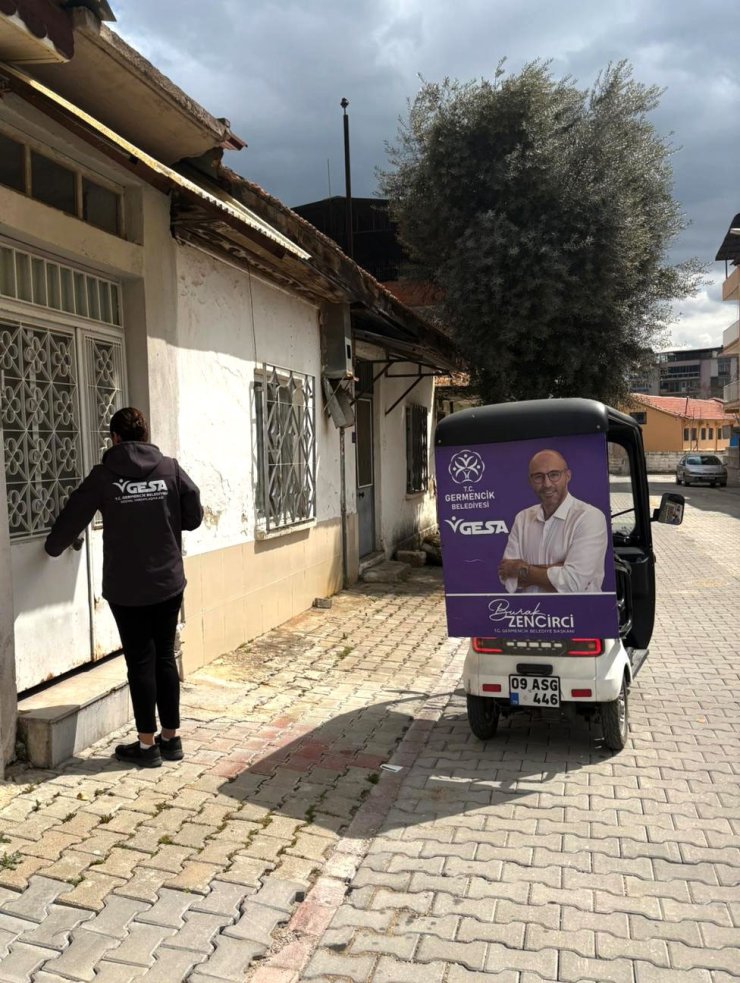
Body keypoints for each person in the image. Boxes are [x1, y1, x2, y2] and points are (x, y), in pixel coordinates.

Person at [45, 407, 203, 767]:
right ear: (145, 436)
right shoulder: (169, 468)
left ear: (114, 438)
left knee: (140, 661)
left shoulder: (104, 477)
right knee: (165, 655)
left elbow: (73, 517)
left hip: (128, 587)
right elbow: (193, 516)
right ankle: (171, 740)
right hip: (167, 581)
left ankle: (147, 747)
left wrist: (53, 547)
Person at [497, 448, 608, 593]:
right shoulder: (522, 518)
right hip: (531, 614)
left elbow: (573, 583)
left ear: (568, 476)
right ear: (530, 481)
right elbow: (505, 575)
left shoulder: (589, 517)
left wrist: (522, 569)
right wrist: (559, 569)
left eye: (554, 475)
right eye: (538, 477)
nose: (547, 484)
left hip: (577, 614)